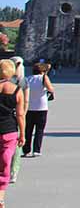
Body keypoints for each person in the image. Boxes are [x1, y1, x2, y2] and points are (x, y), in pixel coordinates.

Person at [0, 59, 25, 206]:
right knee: (5, 164)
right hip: (9, 131)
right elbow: (20, 114)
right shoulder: (17, 90)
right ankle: (0, 197)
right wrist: (23, 134)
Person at [23, 63, 54, 157]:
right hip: (41, 107)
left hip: (29, 107)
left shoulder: (27, 79)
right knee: (39, 130)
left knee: (28, 130)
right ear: (42, 71)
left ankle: (26, 150)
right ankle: (36, 150)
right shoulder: (43, 78)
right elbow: (50, 89)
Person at [8, 58, 28, 184]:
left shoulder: (3, 80)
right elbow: (26, 100)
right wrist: (24, 114)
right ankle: (13, 172)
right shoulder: (23, 81)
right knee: (16, 146)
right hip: (16, 116)